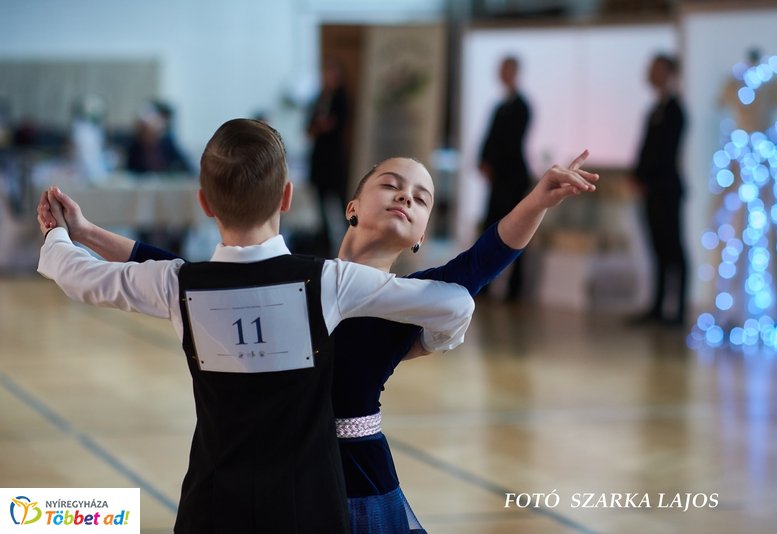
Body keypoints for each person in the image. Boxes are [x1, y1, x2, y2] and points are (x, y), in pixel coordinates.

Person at [41, 147, 598, 532]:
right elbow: (186, 275)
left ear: (422, 234)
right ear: (352, 206)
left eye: (422, 198)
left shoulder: (412, 297)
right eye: (391, 184)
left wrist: (538, 202)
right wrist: (87, 233)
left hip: (358, 483)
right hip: (281, 478)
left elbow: (482, 263)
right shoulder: (301, 274)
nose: (406, 197)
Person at [630, 54, 688, 326]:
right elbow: (645, 150)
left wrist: (647, 178)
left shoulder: (675, 110)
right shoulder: (654, 109)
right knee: (657, 249)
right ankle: (657, 305)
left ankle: (677, 311)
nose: (651, 74)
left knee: (673, 249)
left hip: (666, 190)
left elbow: (665, 153)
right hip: (652, 191)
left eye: (656, 70)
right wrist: (637, 176)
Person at [479, 55, 534, 301]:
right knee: (490, 231)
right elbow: (489, 139)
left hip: (512, 180)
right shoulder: (499, 107)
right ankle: (485, 283)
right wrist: (483, 162)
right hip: (497, 180)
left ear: (515, 72)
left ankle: (515, 288)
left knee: (517, 231)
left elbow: (510, 143)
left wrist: (493, 163)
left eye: (507, 69)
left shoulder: (522, 106)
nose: (503, 74)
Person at [307, 58, 349, 257]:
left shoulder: (341, 98)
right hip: (318, 160)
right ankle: (324, 244)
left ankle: (348, 243)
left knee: (340, 203)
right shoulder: (317, 98)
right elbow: (310, 127)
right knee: (320, 205)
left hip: (334, 161)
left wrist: (322, 126)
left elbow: (333, 124)